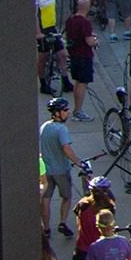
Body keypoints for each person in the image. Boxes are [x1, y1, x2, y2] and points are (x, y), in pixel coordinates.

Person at [40, 97, 87, 237]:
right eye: (65, 110)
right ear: (57, 113)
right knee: (66, 197)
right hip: (61, 170)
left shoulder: (44, 126)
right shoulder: (61, 129)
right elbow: (66, 148)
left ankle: (46, 228)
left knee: (46, 199)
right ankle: (62, 222)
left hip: (47, 171)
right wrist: (78, 162)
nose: (68, 112)